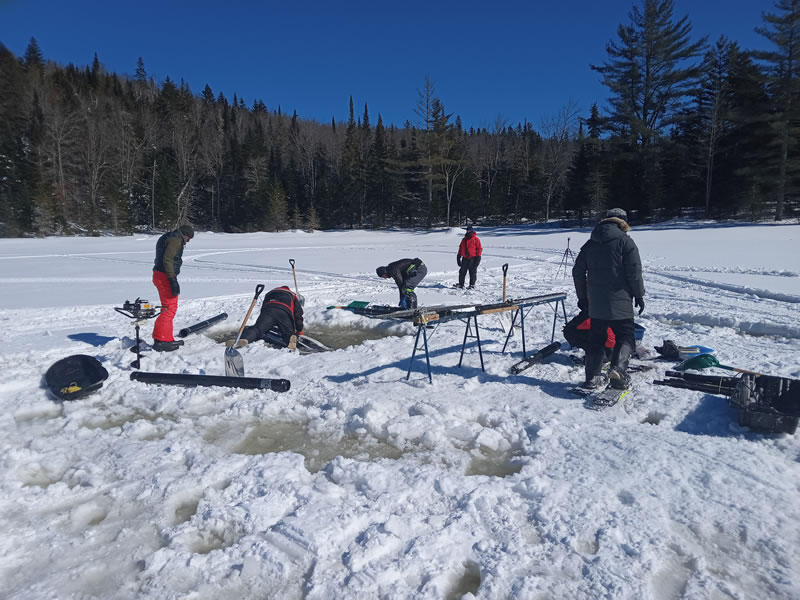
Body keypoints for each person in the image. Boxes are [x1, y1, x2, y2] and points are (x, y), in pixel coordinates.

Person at [572, 208, 645, 390]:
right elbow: (634, 272)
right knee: (626, 335)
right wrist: (638, 294)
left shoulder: (590, 244)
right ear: (622, 222)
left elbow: (578, 272)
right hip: (620, 300)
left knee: (596, 339)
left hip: (596, 303)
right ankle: (618, 369)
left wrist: (582, 297)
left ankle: (591, 378)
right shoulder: (625, 242)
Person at [151, 224, 194, 352]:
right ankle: (162, 340)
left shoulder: (169, 236)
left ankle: (164, 338)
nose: (188, 241)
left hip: (161, 274)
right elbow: (168, 260)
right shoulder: (175, 240)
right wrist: (172, 279)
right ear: (185, 234)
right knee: (169, 308)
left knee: (168, 307)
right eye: (189, 238)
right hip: (164, 276)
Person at [240, 286, 305, 348]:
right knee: (288, 332)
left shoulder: (270, 293)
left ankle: (245, 338)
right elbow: (298, 315)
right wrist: (299, 330)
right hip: (283, 311)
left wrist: (264, 323)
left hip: (268, 310)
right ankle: (291, 337)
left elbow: (263, 309)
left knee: (258, 329)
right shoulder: (292, 295)